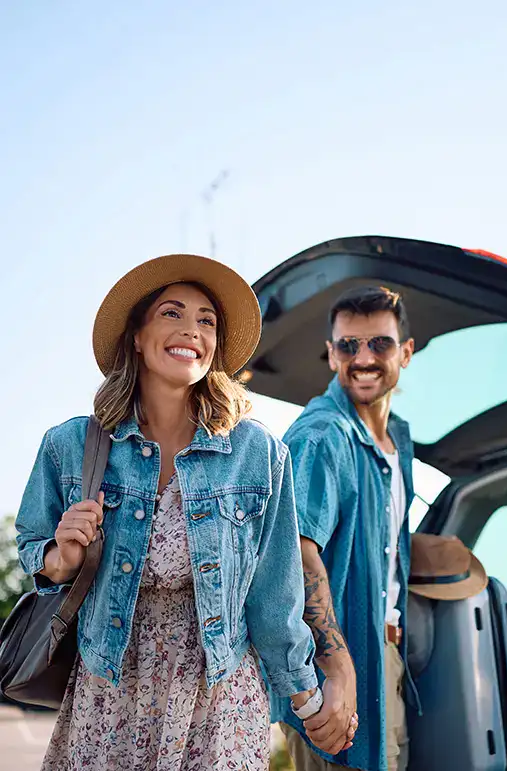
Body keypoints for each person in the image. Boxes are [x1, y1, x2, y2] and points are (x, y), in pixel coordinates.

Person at [14, 253, 355, 771]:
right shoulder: (70, 446)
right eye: (172, 313)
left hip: (220, 700)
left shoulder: (259, 453)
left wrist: (308, 700)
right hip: (110, 693)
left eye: (206, 320)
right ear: (136, 334)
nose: (191, 330)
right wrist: (58, 560)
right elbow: (32, 546)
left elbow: (273, 598)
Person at [271, 285, 416, 771]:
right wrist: (336, 666)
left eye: (380, 343)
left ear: (406, 353)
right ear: (331, 355)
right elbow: (296, 552)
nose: (363, 358)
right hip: (337, 675)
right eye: (348, 345)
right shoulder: (322, 437)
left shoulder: (397, 442)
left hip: (386, 658)